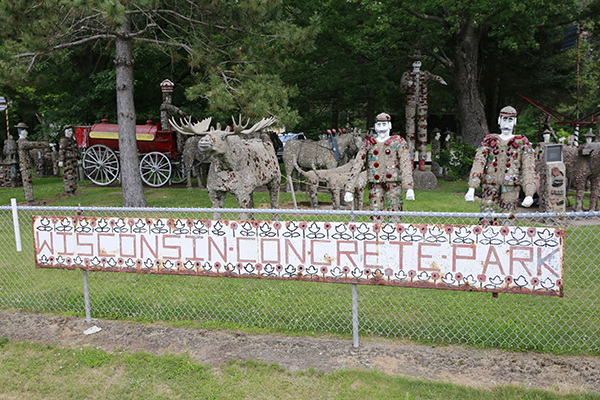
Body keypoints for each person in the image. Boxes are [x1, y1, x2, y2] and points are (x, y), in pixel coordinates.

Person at [465, 106, 535, 213]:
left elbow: (528, 168)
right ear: (499, 120)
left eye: (510, 120)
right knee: (486, 215)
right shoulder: (489, 141)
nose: (506, 124)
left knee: (508, 217)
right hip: (489, 184)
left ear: (515, 122)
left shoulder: (522, 142)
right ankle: (487, 229)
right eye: (504, 119)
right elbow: (479, 162)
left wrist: (529, 193)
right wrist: (472, 187)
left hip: (511, 185)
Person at [344, 112, 414, 218]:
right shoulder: (369, 143)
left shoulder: (398, 142)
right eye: (379, 125)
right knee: (375, 213)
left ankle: (394, 232)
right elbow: (358, 164)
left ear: (389, 126)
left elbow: (405, 164)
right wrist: (349, 189)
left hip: (394, 183)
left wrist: (408, 187)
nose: (381, 128)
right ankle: (377, 231)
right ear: (375, 127)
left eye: (384, 124)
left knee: (395, 212)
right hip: (374, 183)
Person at [400, 51, 447, 171]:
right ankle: (410, 159)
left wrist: (440, 80)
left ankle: (422, 160)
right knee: (410, 130)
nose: (416, 64)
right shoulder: (407, 75)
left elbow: (434, 76)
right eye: (414, 62)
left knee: (423, 128)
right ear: (412, 64)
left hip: (422, 104)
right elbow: (402, 88)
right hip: (410, 104)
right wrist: (407, 84)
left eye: (418, 62)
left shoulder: (424, 74)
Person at [16, 123, 49, 204]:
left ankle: (30, 199)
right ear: (22, 132)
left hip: (26, 165)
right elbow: (33, 144)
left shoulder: (22, 142)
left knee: (28, 182)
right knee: (27, 183)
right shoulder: (22, 143)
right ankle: (30, 200)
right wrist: (46, 144)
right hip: (25, 166)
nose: (27, 133)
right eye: (25, 131)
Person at [58, 125, 81, 196]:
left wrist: (78, 158)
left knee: (74, 175)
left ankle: (73, 190)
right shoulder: (64, 140)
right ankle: (68, 190)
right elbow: (62, 150)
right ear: (65, 132)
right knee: (68, 175)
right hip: (67, 160)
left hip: (73, 159)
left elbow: (76, 149)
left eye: (71, 131)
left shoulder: (73, 140)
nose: (70, 132)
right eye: (68, 131)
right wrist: (61, 160)